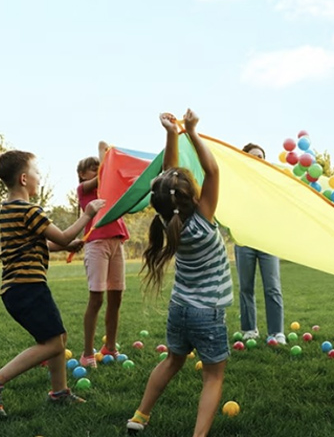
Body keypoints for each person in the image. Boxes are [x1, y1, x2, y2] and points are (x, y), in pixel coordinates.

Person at [0, 150, 105, 416]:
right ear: (23, 178)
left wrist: (65, 245)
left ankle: (59, 393)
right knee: (54, 343)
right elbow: (64, 236)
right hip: (27, 286)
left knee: (58, 337)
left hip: (20, 288)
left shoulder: (9, 209)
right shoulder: (28, 209)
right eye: (36, 173)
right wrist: (88, 213)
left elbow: (43, 243)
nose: (39, 178)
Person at [127, 109, 232, 437]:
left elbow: (168, 176)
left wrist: (173, 133)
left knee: (172, 361)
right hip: (207, 314)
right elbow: (212, 169)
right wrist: (193, 131)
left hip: (180, 310)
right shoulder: (203, 220)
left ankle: (140, 416)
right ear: (192, 197)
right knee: (213, 376)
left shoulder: (166, 223)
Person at [76, 141, 129, 368]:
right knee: (96, 299)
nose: (98, 169)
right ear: (82, 174)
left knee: (116, 298)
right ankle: (87, 354)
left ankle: (110, 347)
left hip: (117, 243)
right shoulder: (83, 190)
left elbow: (122, 183)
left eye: (99, 165)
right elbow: (103, 176)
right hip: (96, 244)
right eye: (93, 167)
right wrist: (104, 156)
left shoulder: (109, 187)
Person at [234, 142, 286, 345]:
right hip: (244, 239)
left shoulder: (271, 182)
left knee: (272, 287)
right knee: (246, 286)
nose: (259, 159)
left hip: (267, 240)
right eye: (254, 156)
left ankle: (277, 332)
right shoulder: (238, 183)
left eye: (262, 157)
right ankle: (249, 329)